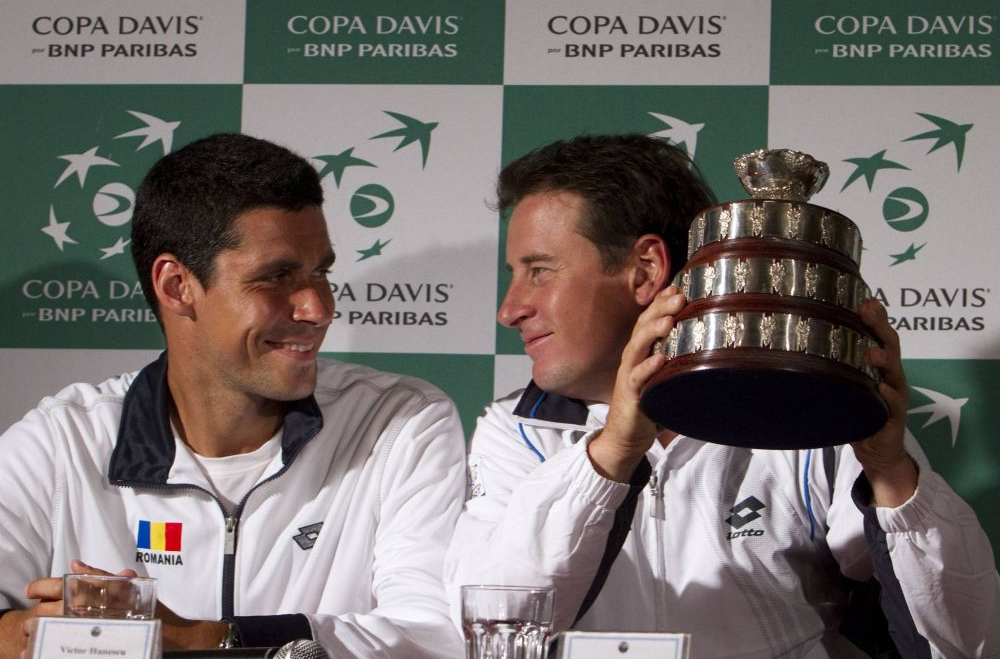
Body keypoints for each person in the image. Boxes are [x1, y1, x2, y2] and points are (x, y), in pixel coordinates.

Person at [444, 133, 1000, 658]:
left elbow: (969, 642)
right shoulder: (515, 431)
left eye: (539, 271)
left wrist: (891, 474)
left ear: (644, 272)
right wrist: (611, 452)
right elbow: (495, 626)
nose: (510, 308)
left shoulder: (815, 417)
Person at [0, 133, 466, 657]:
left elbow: (434, 637)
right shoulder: (62, 442)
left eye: (321, 271)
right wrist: (30, 634)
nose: (318, 307)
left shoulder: (399, 422)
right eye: (277, 276)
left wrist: (212, 641)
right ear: (177, 285)